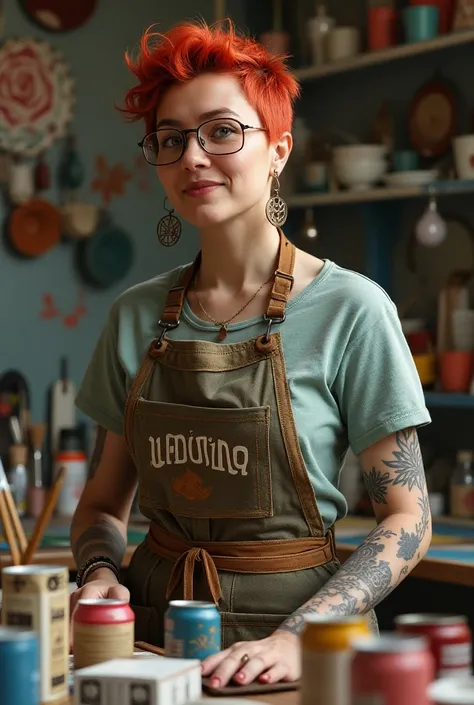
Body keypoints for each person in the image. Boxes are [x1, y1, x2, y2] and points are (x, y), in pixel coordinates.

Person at [70, 19, 432, 689]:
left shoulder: (354, 309)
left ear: (279, 152)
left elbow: (408, 519)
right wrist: (98, 578)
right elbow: (100, 507)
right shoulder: (134, 316)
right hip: (151, 647)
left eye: (221, 131)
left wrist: (300, 637)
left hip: (300, 651)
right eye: (171, 140)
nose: (194, 157)